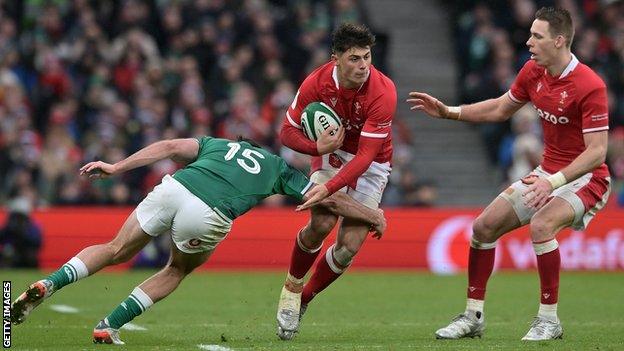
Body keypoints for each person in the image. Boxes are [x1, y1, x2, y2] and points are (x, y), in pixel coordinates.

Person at [10, 136, 386, 345]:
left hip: (175, 187)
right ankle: (109, 325)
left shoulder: (217, 144)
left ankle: (51, 282)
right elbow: (325, 197)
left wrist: (117, 166)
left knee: (113, 249)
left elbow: (169, 148)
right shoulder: (278, 167)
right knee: (176, 269)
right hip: (208, 212)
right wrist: (371, 214)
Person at [407, 7, 610, 341]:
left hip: (587, 178)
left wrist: (552, 182)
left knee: (543, 225)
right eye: (530, 33)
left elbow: (597, 152)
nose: (528, 41)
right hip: (548, 173)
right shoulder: (533, 71)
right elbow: (502, 108)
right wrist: (450, 112)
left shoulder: (590, 85)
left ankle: (549, 320)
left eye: (537, 36)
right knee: (483, 227)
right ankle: (473, 317)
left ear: (559, 41)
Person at [276, 22, 397, 340]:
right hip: (332, 153)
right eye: (355, 58)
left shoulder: (383, 92)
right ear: (336, 59)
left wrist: (328, 189)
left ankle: (304, 300)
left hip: (372, 163)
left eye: (367, 57)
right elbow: (286, 132)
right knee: (322, 221)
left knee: (349, 247)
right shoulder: (316, 83)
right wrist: (316, 147)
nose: (363, 66)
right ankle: (291, 285)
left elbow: (366, 157)